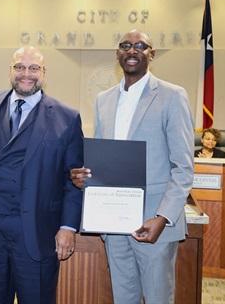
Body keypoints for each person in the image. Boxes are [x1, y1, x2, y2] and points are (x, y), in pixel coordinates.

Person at [70, 29, 194, 304]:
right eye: (126, 45)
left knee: (158, 298)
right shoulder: (104, 100)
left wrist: (162, 218)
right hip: (114, 224)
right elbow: (103, 160)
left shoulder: (173, 96)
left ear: (152, 53)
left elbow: (183, 168)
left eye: (140, 45)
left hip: (154, 225)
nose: (132, 50)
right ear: (118, 53)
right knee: (123, 298)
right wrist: (85, 175)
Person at [0, 46, 84, 304]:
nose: (26, 74)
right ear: (10, 70)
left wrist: (68, 226)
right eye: (19, 67)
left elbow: (73, 179)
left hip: (36, 230)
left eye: (33, 68)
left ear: (44, 73)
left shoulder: (67, 117)